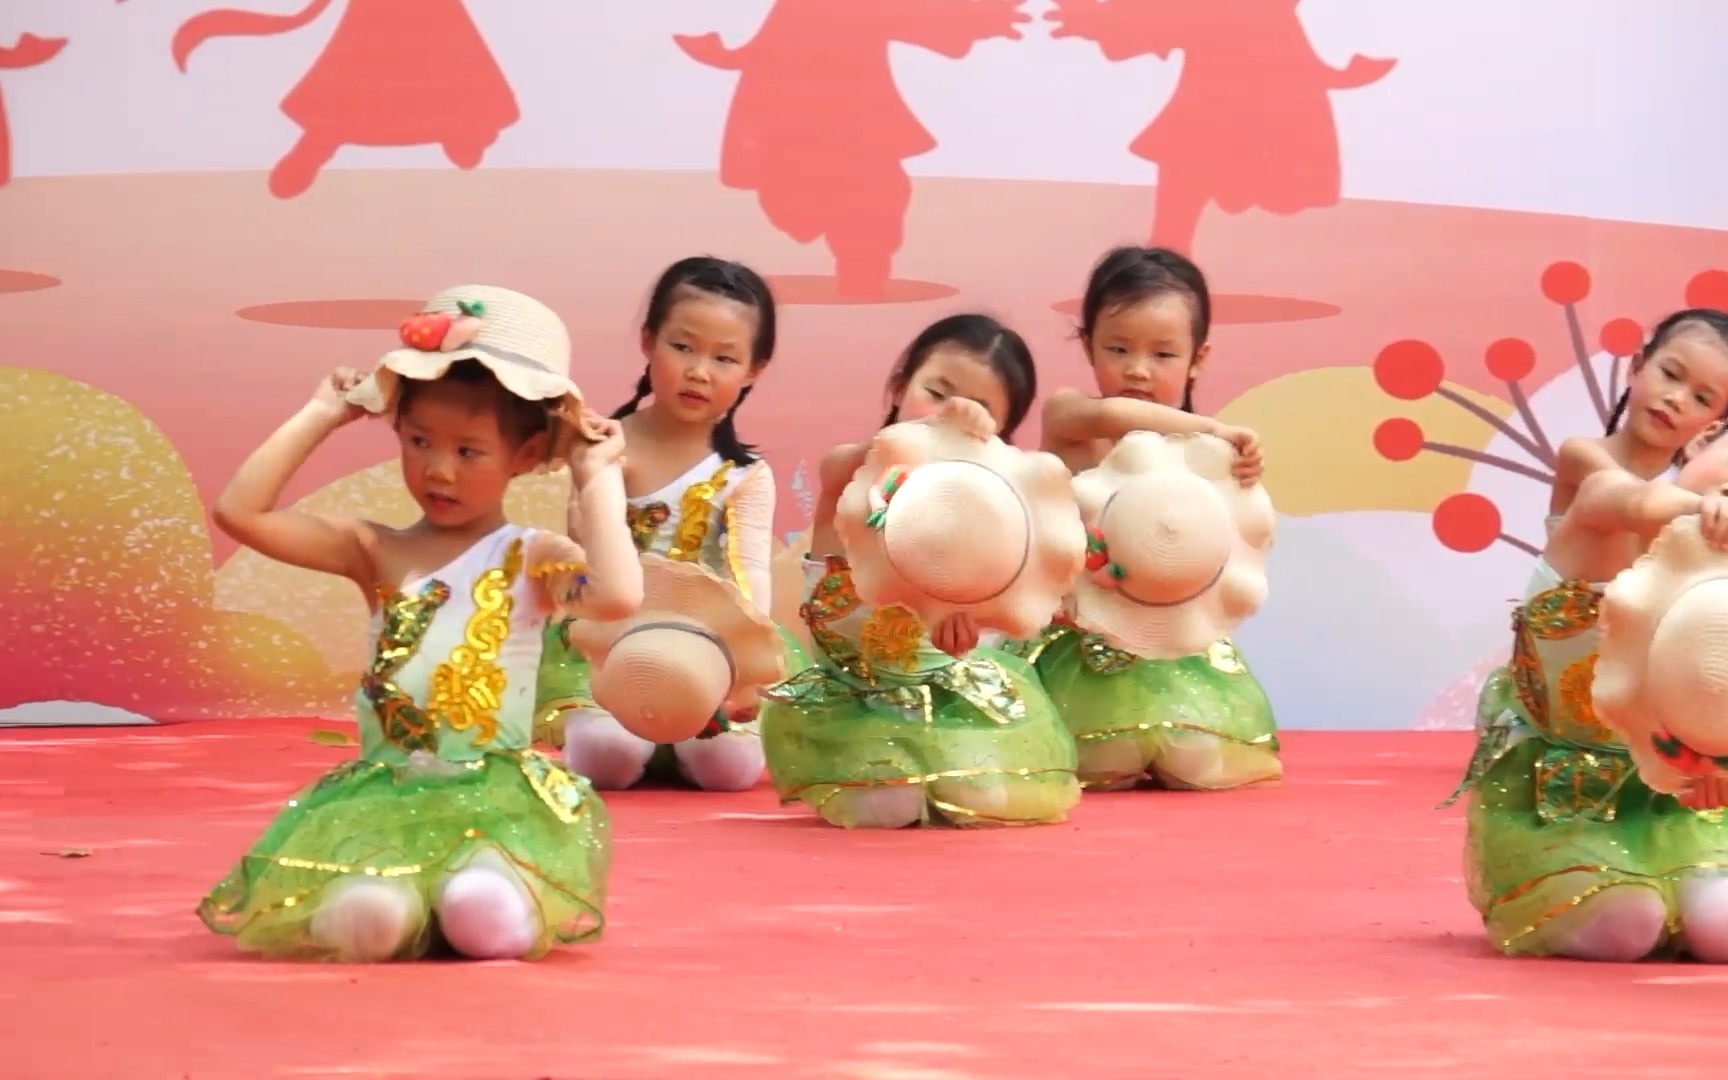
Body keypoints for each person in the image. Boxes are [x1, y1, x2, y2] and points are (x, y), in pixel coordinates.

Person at [199, 286, 641, 962]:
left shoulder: (529, 557)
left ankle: (469, 896)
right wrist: (322, 414)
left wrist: (597, 474)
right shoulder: (374, 551)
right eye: (418, 441)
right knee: (366, 919)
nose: (438, 468)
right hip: (388, 794)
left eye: (469, 452)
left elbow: (615, 597)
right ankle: (406, 906)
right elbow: (240, 512)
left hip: (494, 802)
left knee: (482, 916)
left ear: (524, 456)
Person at [1455, 307, 1728, 961]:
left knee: (1719, 930)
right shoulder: (1589, 464)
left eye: (1700, 398)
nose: (1673, 399)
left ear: (1711, 426)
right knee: (1624, 929)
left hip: (1652, 770)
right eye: (1669, 374)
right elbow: (1629, 500)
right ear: (1635, 367)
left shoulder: (1703, 515)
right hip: (1565, 765)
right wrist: (1704, 505)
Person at [759, 314, 1084, 828]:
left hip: (941, 703)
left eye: (979, 412)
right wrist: (931, 431)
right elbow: (846, 466)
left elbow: (974, 628)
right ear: (898, 385)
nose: (950, 415)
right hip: (853, 704)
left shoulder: (988, 536)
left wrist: (962, 637)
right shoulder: (850, 472)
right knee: (888, 803)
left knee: (983, 797)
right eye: (935, 392)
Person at [1008, 246, 1280, 790]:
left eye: (1162, 354)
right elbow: (1114, 414)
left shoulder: (1204, 453)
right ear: (1086, 344)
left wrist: (1240, 468)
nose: (1136, 369)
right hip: (1077, 643)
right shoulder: (1071, 417)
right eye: (1117, 348)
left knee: (1199, 763)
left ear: (1198, 357)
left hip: (1176, 645)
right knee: (1100, 762)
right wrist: (1212, 430)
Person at [540, 256, 793, 792]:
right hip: (608, 638)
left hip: (703, 645)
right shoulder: (603, 445)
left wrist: (733, 673)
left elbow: (750, 578)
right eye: (682, 347)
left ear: (754, 370)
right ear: (649, 341)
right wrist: (600, 478)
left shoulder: (744, 475)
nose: (699, 371)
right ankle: (630, 732)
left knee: (729, 770)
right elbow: (582, 556)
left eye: (724, 358)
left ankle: (677, 738)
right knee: (607, 756)